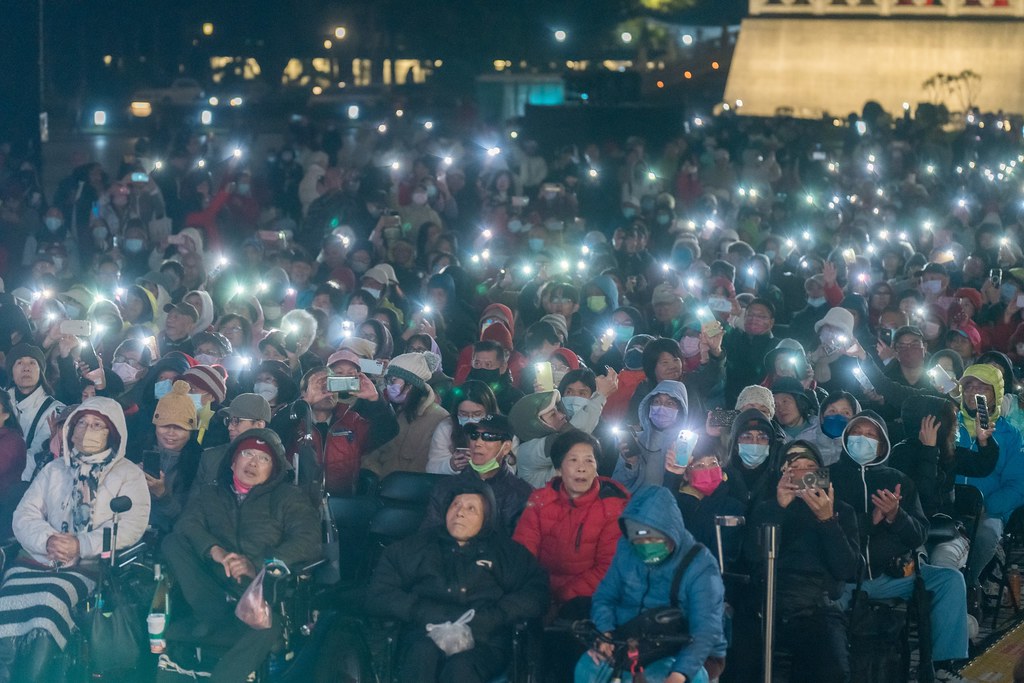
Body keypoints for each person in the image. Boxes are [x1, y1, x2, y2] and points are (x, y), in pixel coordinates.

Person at [0, 398, 149, 681]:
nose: (86, 430)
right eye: (81, 423)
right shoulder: (54, 470)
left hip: (87, 567)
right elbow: (24, 515)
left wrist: (81, 544)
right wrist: (48, 540)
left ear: (113, 431)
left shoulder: (128, 474)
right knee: (6, 601)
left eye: (97, 425)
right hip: (36, 559)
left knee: (48, 603)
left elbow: (132, 524)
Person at [162, 429, 322, 682]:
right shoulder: (210, 493)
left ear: (273, 469)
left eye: (264, 458)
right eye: (247, 453)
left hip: (263, 591)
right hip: (211, 588)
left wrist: (256, 565)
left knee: (268, 630)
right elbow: (187, 524)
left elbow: (309, 541)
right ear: (234, 461)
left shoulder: (288, 498)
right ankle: (211, 614)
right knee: (172, 542)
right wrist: (215, 550)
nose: (254, 463)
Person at [830, 411, 969, 676]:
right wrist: (870, 519)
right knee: (822, 602)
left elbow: (919, 534)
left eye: (870, 435)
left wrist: (897, 516)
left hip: (894, 575)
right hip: (845, 578)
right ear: (846, 439)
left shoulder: (898, 480)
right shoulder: (831, 478)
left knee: (950, 581)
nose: (863, 439)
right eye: (857, 433)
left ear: (882, 443)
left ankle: (942, 665)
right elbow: (827, 527)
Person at [369, 480, 549, 683]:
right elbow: (380, 591)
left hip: (484, 640)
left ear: (486, 517)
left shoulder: (506, 553)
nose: (460, 513)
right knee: (422, 654)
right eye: (455, 505)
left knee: (460, 668)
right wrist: (417, 610)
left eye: (471, 508)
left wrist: (496, 615)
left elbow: (536, 592)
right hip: (423, 632)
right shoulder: (417, 547)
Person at [574, 485, 727, 683]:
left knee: (659, 677)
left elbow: (705, 631)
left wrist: (679, 674)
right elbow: (605, 597)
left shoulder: (701, 564)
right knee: (587, 669)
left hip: (686, 646)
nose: (646, 546)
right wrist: (605, 634)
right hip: (632, 639)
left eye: (653, 539)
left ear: (671, 533)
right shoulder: (627, 550)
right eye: (639, 540)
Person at [747, 440, 861, 683]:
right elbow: (752, 557)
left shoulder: (842, 510)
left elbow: (847, 569)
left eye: (810, 466)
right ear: (782, 472)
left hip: (818, 608)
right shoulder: (766, 507)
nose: (803, 473)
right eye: (794, 467)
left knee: (832, 668)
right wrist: (779, 510)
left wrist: (827, 520)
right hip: (769, 604)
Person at [954, 364, 1024, 590]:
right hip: (949, 504)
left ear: (996, 394)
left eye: (982, 387)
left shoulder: (1010, 434)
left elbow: (1017, 484)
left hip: (986, 510)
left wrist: (988, 506)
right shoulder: (949, 424)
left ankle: (969, 583)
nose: (973, 392)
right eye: (968, 386)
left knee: (987, 534)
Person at [425, 414, 532, 534]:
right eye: (474, 436)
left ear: (506, 447)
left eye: (489, 436)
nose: (478, 443)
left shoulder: (522, 494)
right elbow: (427, 536)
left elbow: (519, 547)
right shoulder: (446, 487)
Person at [363, 353, 449, 477]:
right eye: (387, 380)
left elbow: (424, 466)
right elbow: (371, 453)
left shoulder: (438, 418)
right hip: (377, 487)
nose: (389, 386)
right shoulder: (385, 410)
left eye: (393, 380)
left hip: (409, 490)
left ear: (411, 384)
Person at [613, 380, 689, 492]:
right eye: (656, 401)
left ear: (681, 410)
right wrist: (630, 464)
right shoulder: (636, 440)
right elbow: (618, 485)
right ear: (648, 406)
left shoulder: (685, 446)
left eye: (670, 403)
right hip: (635, 506)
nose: (661, 407)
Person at [5, 344, 64, 482]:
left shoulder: (54, 410)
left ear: (41, 372)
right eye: (19, 363)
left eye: (32, 362)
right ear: (11, 373)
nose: (26, 367)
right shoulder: (3, 402)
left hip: (25, 485)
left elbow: (36, 454)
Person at [192, 393, 271, 494]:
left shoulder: (276, 464)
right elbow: (193, 503)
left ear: (259, 425)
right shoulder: (210, 458)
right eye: (228, 420)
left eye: (236, 421)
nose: (230, 427)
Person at [427, 380, 499, 475]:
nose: (470, 419)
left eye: (477, 414)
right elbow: (432, 468)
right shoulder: (446, 428)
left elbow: (511, 470)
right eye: (464, 414)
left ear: (489, 412)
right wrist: (451, 465)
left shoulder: (503, 431)